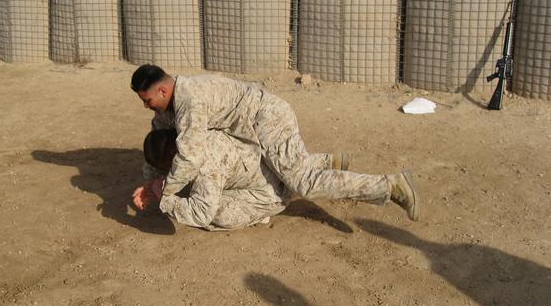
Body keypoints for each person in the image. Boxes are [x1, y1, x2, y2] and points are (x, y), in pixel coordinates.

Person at [131, 64, 420, 221]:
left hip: (267, 119)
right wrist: (149, 181)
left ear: (163, 90)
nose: (146, 106)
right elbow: (157, 140)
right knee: (286, 171)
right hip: (251, 127)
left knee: (303, 183)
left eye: (147, 100)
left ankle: (390, 186)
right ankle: (324, 162)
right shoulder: (167, 107)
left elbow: (189, 156)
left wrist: (163, 190)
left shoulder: (190, 101)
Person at [134, 128, 291, 230]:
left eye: (168, 167)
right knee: (195, 190)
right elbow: (154, 165)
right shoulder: (191, 134)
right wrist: (150, 185)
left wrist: (164, 199)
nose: (168, 172)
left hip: (271, 194)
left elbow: (202, 214)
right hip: (251, 176)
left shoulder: (206, 164)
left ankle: (259, 213)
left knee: (218, 213)